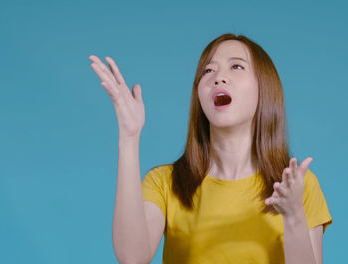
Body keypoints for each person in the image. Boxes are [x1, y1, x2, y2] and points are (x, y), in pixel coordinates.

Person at [89, 33, 332, 264]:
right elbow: (132, 257)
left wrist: (294, 217)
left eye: (236, 66)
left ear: (264, 86)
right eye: (208, 70)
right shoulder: (165, 183)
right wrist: (129, 137)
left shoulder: (298, 187)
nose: (218, 77)